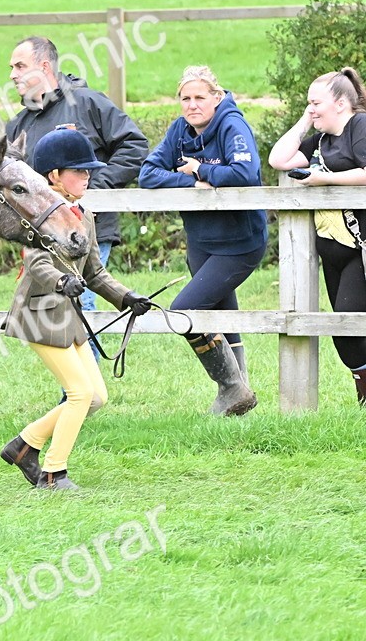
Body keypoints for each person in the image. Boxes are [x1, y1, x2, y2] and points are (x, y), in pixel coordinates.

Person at [0, 128, 151, 491]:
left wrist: (125, 297)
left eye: (88, 171)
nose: (87, 176)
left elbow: (95, 271)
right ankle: (53, 473)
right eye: (79, 170)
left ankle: (24, 445)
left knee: (96, 397)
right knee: (80, 393)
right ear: (54, 175)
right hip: (41, 313)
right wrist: (60, 282)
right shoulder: (40, 210)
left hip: (68, 317)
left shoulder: (83, 214)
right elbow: (36, 262)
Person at [5, 36, 148, 358]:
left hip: (86, 231)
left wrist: (92, 191)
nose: (12, 74)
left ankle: (82, 396)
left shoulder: (87, 103)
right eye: (11, 68)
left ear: (44, 67)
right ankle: (80, 395)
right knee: (58, 313)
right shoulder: (19, 124)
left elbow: (134, 146)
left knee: (79, 306)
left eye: (20, 66)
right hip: (43, 237)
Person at [138, 66, 266, 415]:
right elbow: (148, 173)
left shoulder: (231, 125)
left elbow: (245, 173)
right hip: (201, 241)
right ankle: (241, 395)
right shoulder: (180, 130)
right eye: (186, 98)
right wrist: (192, 185)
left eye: (199, 97)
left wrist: (200, 168)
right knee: (222, 315)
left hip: (239, 242)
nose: (192, 105)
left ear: (217, 97)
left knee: (184, 311)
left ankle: (231, 388)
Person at [268, 66, 366, 406]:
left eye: (316, 102)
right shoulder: (321, 140)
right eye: (308, 103)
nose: (311, 108)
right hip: (329, 247)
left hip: (358, 245)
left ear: (340, 103)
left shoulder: (359, 126)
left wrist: (325, 179)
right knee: (342, 333)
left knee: (347, 318)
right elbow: (278, 159)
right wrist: (305, 121)